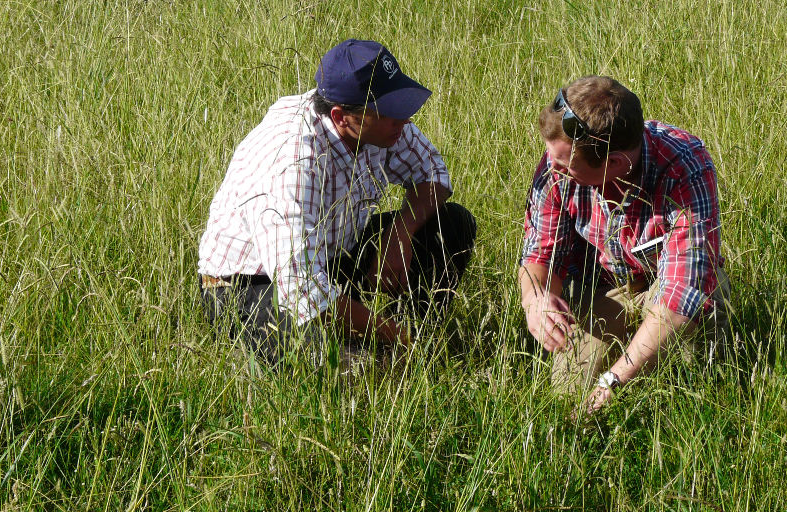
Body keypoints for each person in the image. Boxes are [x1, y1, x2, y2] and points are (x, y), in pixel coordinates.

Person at [197, 39, 476, 366]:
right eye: (391, 112)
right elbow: (302, 290)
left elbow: (432, 172)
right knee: (341, 372)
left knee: (451, 223)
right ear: (341, 117)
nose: (405, 119)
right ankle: (397, 353)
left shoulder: (378, 125)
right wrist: (393, 334)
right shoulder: (292, 165)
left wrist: (399, 235)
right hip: (251, 287)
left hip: (331, 258)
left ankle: (412, 346)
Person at [518, 76, 731, 415]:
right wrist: (536, 300)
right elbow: (539, 252)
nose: (550, 166)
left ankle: (687, 382)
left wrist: (612, 382)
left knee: (693, 373)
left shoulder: (682, 165)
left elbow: (682, 295)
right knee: (568, 400)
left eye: (564, 166)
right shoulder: (557, 161)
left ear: (614, 163)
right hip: (605, 291)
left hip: (668, 300)